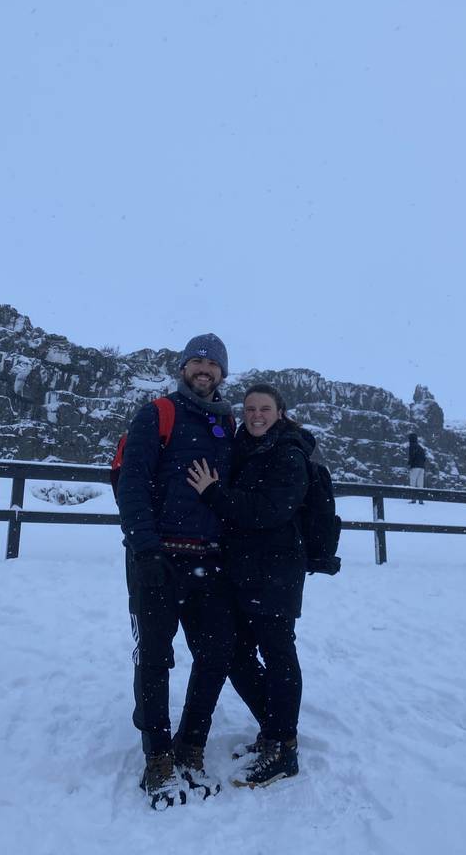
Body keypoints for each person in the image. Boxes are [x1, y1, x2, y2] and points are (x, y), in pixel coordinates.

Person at [117, 333, 237, 807]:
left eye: (213, 364)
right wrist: (146, 551)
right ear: (183, 368)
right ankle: (158, 756)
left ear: (222, 373)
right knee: (154, 657)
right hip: (159, 560)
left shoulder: (228, 423)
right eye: (197, 362)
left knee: (216, 654)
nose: (204, 369)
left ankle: (191, 744)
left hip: (208, 561)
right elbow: (132, 484)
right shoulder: (158, 413)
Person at [187, 383, 313, 788]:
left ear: (280, 412)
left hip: (277, 571)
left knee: (278, 655)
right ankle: (272, 730)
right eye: (250, 409)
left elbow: (268, 511)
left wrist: (214, 494)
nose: (256, 415)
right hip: (243, 570)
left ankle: (284, 748)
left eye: (264, 409)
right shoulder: (244, 446)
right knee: (239, 654)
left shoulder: (289, 452)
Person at [408, 432, 427, 504]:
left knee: (413, 483)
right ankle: (421, 500)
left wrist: (410, 463)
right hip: (422, 467)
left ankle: (413, 499)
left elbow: (411, 456)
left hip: (415, 466)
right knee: (420, 484)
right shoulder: (420, 447)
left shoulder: (412, 446)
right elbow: (424, 458)